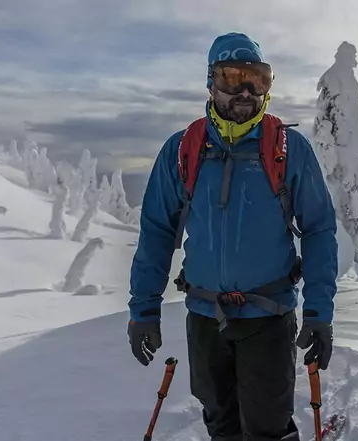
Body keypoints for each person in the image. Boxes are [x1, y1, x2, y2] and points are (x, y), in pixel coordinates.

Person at [127, 32, 338, 441]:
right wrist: (143, 310)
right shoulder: (182, 151)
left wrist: (319, 312)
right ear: (211, 83)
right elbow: (156, 232)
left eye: (256, 79)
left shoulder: (288, 149)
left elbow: (318, 229)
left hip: (268, 317)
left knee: (266, 429)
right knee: (220, 423)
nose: (245, 90)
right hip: (205, 319)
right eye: (231, 77)